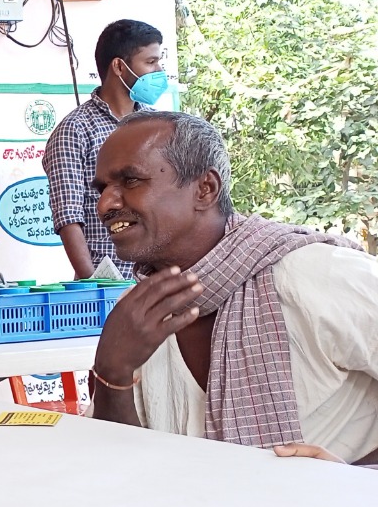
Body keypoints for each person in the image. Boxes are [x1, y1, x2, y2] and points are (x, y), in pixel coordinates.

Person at [88, 111, 378, 464]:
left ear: (205, 189)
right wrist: (112, 372)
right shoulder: (137, 313)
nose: (106, 204)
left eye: (130, 181)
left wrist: (357, 475)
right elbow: (118, 468)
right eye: (102, 189)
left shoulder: (316, 274)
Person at [43, 19, 168, 279]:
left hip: (158, 278)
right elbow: (68, 216)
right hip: (108, 284)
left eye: (159, 61)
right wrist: (94, 286)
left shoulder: (158, 125)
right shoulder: (75, 130)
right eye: (151, 62)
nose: (159, 70)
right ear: (120, 67)